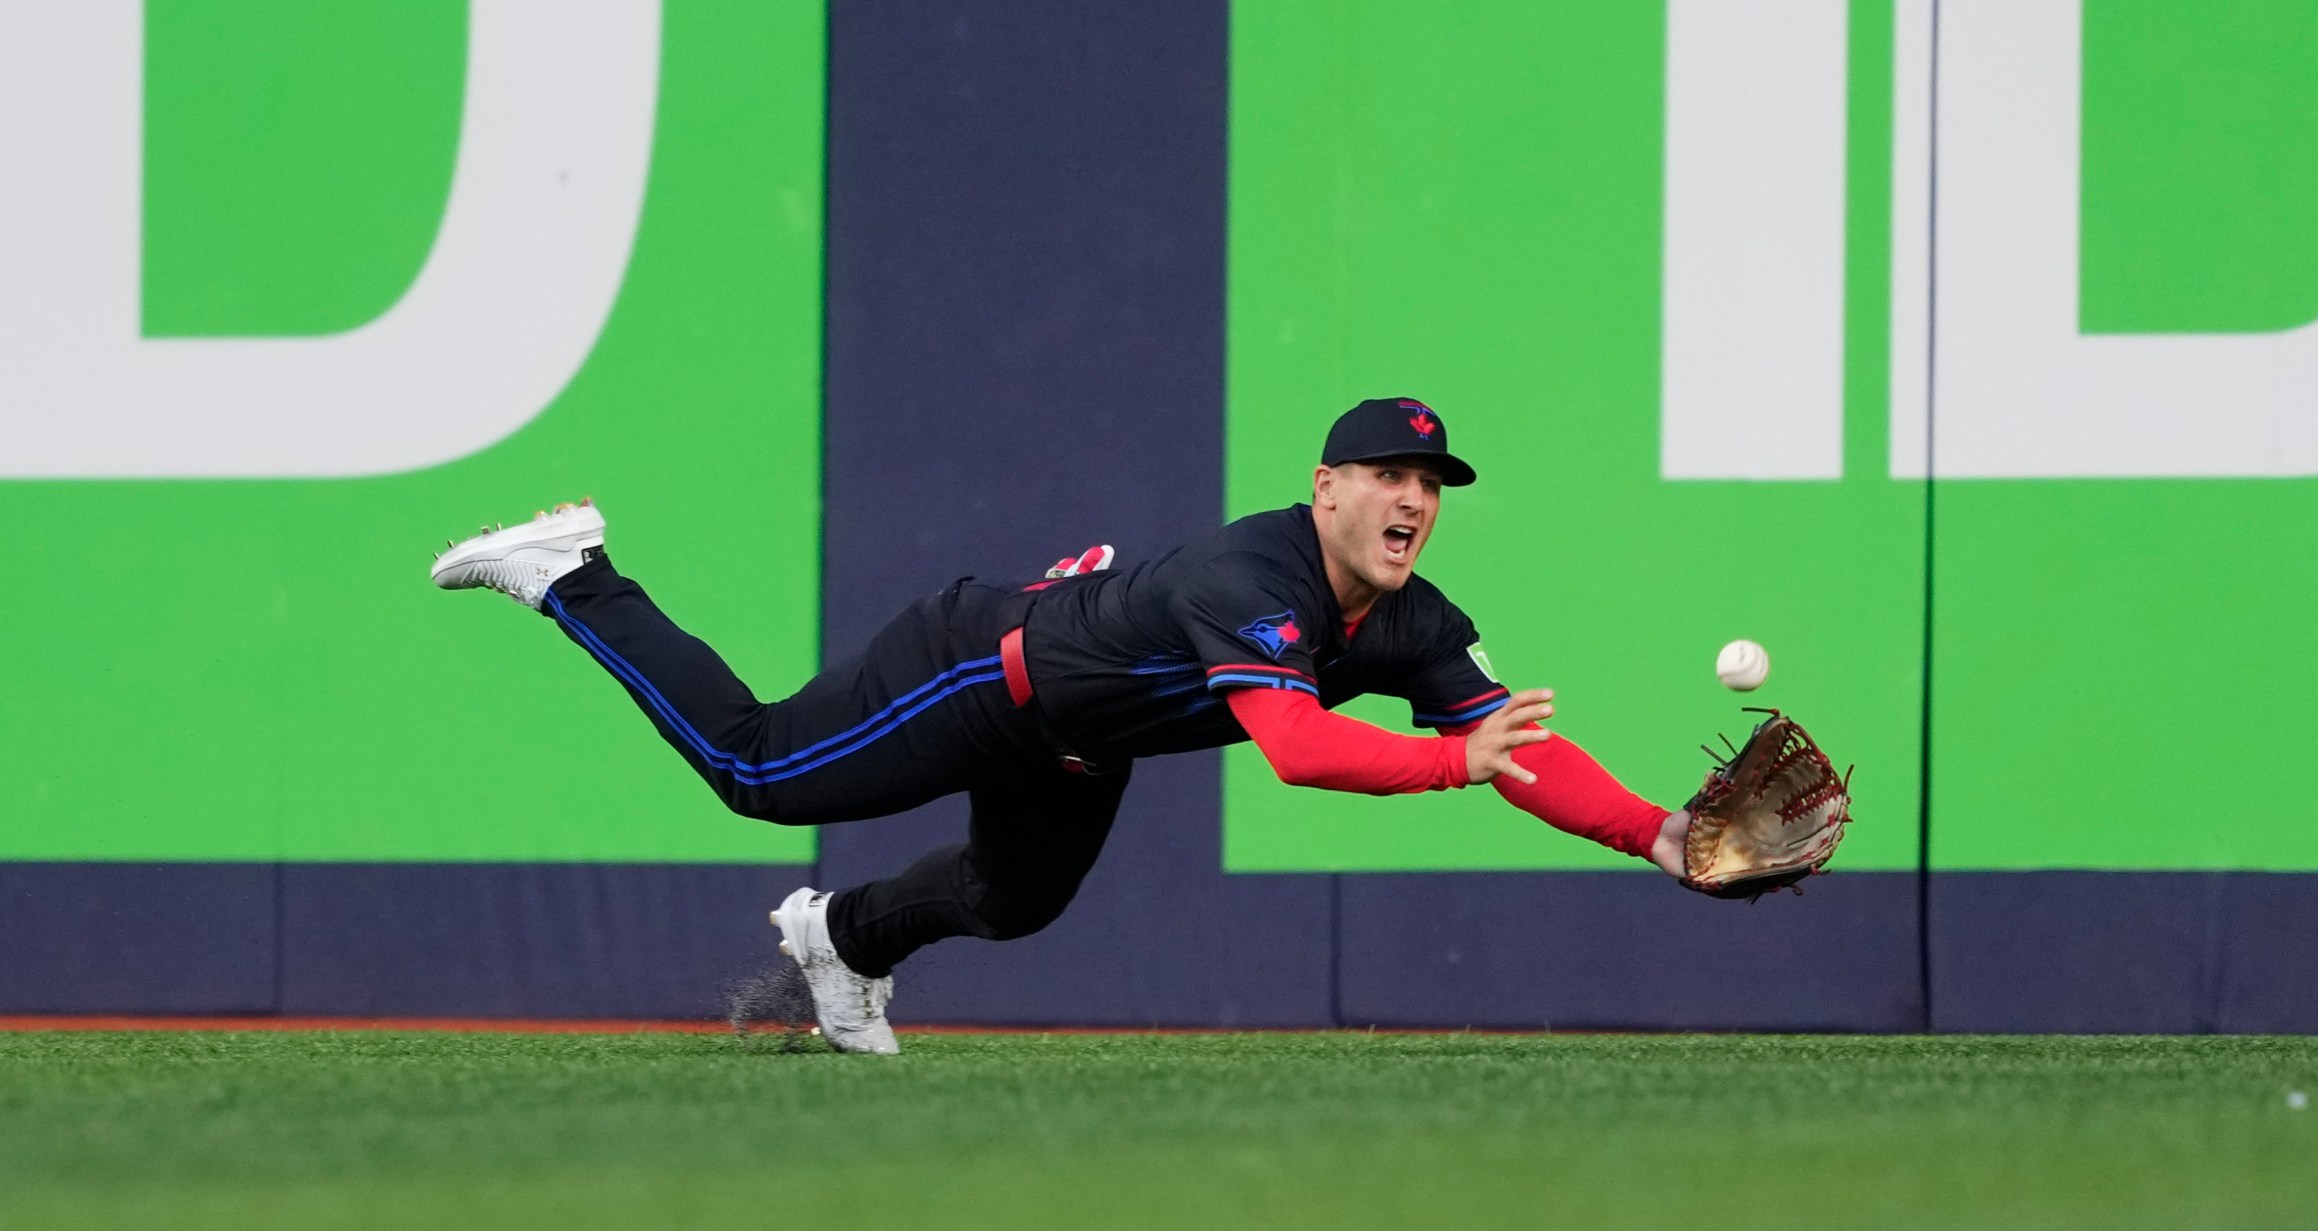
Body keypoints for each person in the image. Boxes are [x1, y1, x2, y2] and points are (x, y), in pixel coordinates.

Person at [431, 398, 1690, 1053]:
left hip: (1081, 740)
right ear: (1326, 490)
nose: (1413, 498)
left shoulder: (1416, 618)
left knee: (1014, 899)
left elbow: (1515, 749)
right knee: (754, 768)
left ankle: (842, 938)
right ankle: (569, 568)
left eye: (1430, 485)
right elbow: (1302, 752)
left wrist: (1659, 835)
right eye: (1388, 477)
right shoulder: (1256, 575)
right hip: (985, 669)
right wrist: (1446, 764)